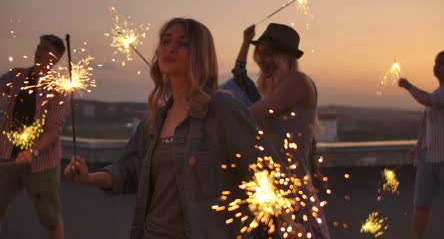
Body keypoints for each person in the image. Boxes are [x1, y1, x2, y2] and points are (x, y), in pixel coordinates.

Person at [64, 18, 293, 239]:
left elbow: (267, 170)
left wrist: (286, 221)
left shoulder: (223, 109)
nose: (170, 48)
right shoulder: (154, 120)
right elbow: (129, 170)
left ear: (200, 54)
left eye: (182, 43)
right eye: (166, 41)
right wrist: (90, 178)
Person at [233, 23, 330, 239]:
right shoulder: (270, 87)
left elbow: (248, 116)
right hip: (268, 187)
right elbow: (240, 76)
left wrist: (218, 108)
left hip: (290, 190)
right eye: (258, 53)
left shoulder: (298, 82)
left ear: (285, 56)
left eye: (267, 54)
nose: (260, 59)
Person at [0, 35, 69, 239]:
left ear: (56, 58)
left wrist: (33, 150)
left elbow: (54, 130)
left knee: (50, 217)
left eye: (46, 49)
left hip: (41, 164)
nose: (39, 51)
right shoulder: (15, 76)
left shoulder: (57, 89)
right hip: (6, 156)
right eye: (39, 46)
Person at [398, 50, 444, 239]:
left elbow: (428, 100)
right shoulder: (439, 91)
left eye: (442, 63)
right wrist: (419, 146)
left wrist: (407, 85)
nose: (437, 66)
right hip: (428, 157)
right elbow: (426, 125)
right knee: (420, 205)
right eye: (436, 62)